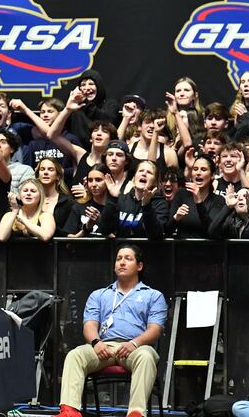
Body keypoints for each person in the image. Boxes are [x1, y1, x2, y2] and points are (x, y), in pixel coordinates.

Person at [55, 244, 167, 417]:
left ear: (139, 266)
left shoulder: (153, 295)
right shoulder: (99, 295)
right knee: (75, 355)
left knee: (146, 356)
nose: (122, 262)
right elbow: (89, 325)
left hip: (136, 348)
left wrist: (134, 343)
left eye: (128, 259)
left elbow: (155, 329)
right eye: (119, 259)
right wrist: (96, 342)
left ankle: (136, 413)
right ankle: (69, 412)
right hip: (104, 347)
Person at [100, 160, 168, 239]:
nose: (144, 174)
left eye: (149, 172)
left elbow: (156, 234)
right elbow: (105, 230)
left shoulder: (160, 204)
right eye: (140, 171)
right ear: (134, 177)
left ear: (155, 182)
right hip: (122, 249)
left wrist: (146, 206)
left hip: (147, 250)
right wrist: (113, 199)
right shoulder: (122, 200)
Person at [63, 164, 109, 237]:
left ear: (108, 180)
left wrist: (100, 221)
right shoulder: (79, 206)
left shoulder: (115, 207)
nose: (93, 184)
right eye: (90, 180)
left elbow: (116, 239)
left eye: (98, 180)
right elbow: (70, 239)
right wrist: (87, 228)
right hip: (82, 248)